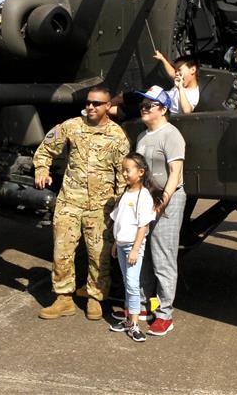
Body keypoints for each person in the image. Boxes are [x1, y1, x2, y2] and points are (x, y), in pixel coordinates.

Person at [33, 85, 131, 321]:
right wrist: (41, 170)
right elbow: (46, 148)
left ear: (108, 106)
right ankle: (63, 298)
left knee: (99, 256)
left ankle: (95, 299)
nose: (90, 106)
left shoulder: (117, 136)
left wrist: (119, 208)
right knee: (62, 251)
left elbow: (123, 175)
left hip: (101, 206)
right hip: (70, 201)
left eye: (97, 103)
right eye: (88, 102)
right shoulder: (71, 126)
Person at [134, 85, 186, 336]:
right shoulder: (142, 136)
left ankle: (165, 314)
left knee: (163, 256)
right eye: (143, 104)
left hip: (168, 200)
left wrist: (161, 203)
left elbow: (175, 174)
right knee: (143, 254)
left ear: (164, 109)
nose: (144, 108)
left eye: (150, 104)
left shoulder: (171, 135)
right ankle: (143, 306)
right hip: (146, 200)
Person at [108, 153, 160, 343]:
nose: (124, 173)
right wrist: (116, 243)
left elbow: (143, 225)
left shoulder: (143, 196)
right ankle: (129, 320)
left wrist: (135, 249)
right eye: (123, 170)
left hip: (132, 246)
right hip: (122, 245)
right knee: (126, 282)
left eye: (127, 170)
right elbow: (120, 221)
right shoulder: (126, 193)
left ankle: (135, 324)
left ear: (140, 172)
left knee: (132, 284)